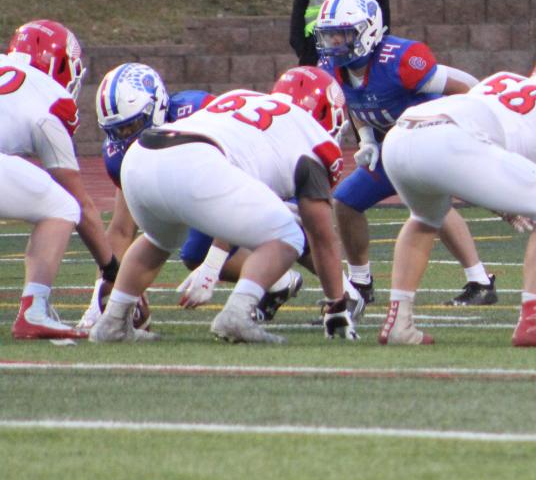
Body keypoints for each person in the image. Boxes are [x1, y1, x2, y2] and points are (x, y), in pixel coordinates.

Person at [90, 66, 353, 344]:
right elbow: (321, 235)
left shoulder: (244, 97)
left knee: (157, 240)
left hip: (140, 156)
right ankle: (237, 315)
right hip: (196, 160)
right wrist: (337, 305)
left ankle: (112, 322)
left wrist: (213, 262)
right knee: (288, 236)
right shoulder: (315, 138)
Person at [375, 68, 536, 348]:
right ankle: (534, 320)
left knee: (425, 218)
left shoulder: (500, 80)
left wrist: (505, 206)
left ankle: (399, 323)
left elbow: (488, 144)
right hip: (449, 141)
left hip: (400, 136)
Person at [312, 0, 492, 307]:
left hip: (430, 141)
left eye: (341, 34)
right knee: (345, 202)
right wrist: (366, 139)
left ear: (368, 31)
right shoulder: (333, 68)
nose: (333, 43)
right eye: (329, 35)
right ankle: (361, 283)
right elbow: (357, 102)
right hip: (391, 146)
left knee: (429, 204)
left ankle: (479, 281)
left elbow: (462, 84)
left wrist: (481, 120)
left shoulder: (399, 60)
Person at [2, 20, 117, 340]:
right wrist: (112, 269)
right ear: (61, 62)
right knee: (62, 206)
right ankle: (34, 311)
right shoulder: (52, 98)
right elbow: (80, 202)